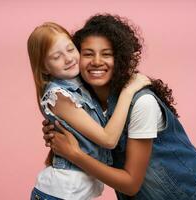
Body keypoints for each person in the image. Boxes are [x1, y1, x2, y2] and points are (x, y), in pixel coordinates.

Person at [43, 14, 196, 200]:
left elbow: (131, 184)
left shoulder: (142, 104)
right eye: (88, 54)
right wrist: (59, 127)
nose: (97, 61)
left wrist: (73, 154)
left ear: (120, 59)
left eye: (107, 54)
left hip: (180, 194)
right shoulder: (83, 101)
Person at [27, 22, 150, 200]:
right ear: (45, 67)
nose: (68, 58)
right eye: (56, 56)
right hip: (62, 192)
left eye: (70, 49)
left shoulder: (80, 84)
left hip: (76, 191)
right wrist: (129, 91)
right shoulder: (58, 96)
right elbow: (108, 140)